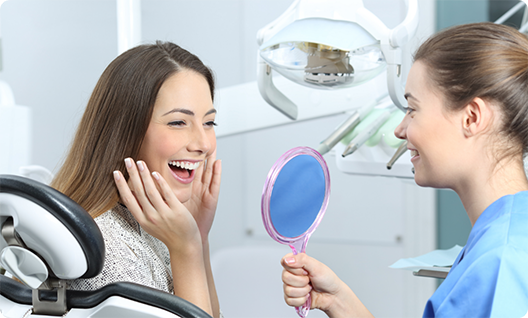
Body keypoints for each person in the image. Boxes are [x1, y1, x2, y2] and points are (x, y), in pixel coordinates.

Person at [281, 22, 528, 317]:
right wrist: (338, 301)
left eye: (412, 109)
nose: (400, 130)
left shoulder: (500, 263)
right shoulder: (503, 238)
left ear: (472, 117)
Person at [51, 41, 222, 318]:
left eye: (209, 123)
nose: (203, 143)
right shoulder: (105, 250)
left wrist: (199, 238)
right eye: (178, 122)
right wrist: (187, 248)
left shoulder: (159, 226)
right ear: (125, 132)